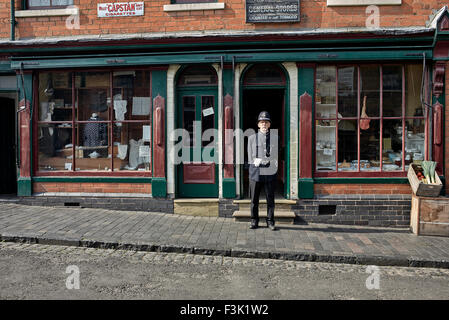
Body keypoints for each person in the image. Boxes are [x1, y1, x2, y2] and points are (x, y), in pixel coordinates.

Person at [247, 111, 278, 230]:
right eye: (261, 122)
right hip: (256, 173)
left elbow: (276, 155)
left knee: (270, 199)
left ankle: (270, 221)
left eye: (266, 122)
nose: (264, 124)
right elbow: (250, 157)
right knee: (254, 199)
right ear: (258, 124)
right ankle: (254, 221)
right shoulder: (251, 138)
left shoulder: (275, 137)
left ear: (269, 124)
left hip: (270, 173)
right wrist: (257, 162)